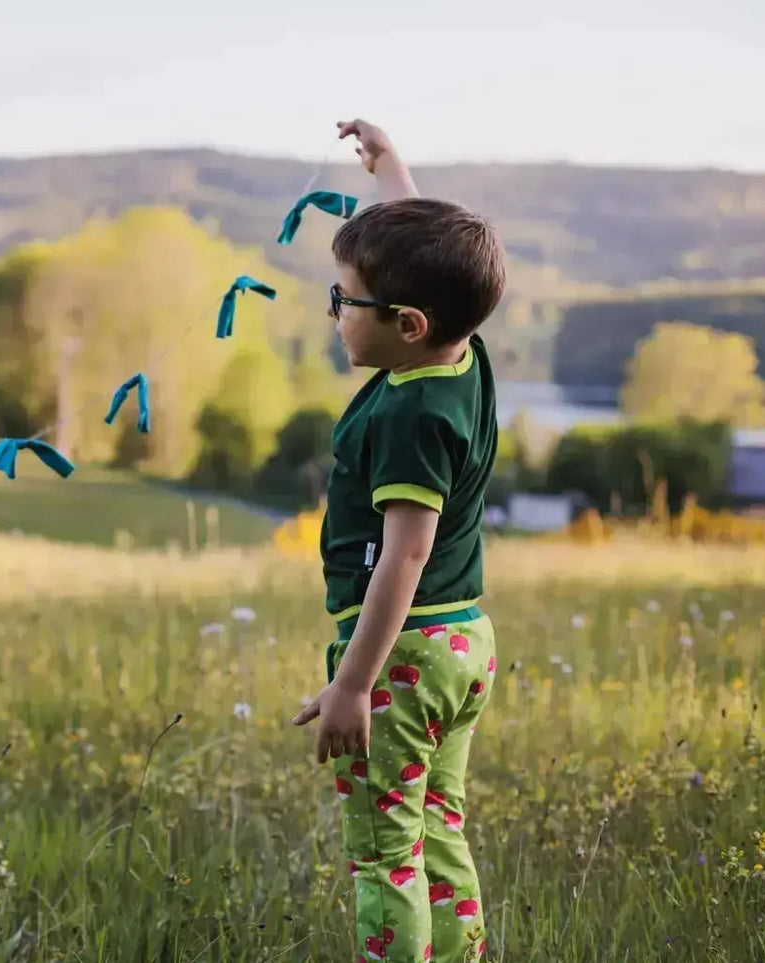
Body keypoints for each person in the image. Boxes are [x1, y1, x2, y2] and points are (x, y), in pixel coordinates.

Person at [293, 119, 506, 963]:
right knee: (437, 824)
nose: (337, 313)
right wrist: (390, 170)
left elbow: (404, 557)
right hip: (463, 641)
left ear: (407, 323)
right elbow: (423, 253)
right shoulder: (461, 352)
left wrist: (353, 684)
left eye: (344, 300)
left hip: (403, 654)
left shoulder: (409, 417)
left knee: (385, 852)